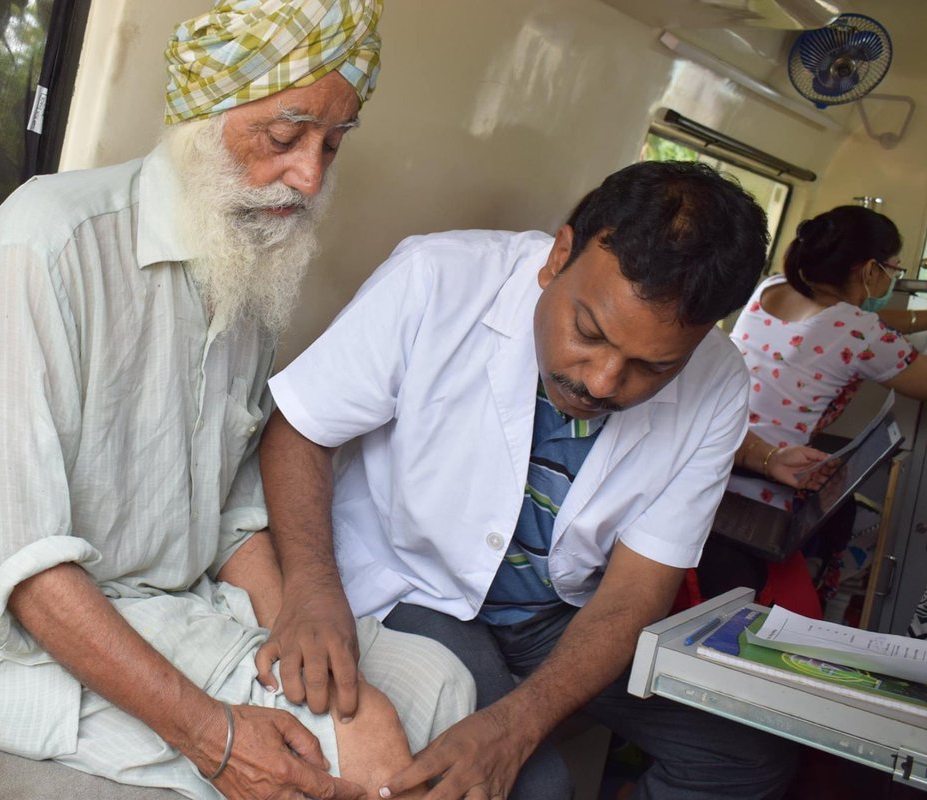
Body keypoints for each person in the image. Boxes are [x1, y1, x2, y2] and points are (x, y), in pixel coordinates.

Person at [0, 3, 477, 798]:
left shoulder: (250, 262)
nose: (309, 177)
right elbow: (21, 569)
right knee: (348, 757)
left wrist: (296, 625)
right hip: (8, 629)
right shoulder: (47, 245)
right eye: (284, 136)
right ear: (206, 113)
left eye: (332, 146)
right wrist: (217, 735)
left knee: (436, 683)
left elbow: (229, 506)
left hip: (172, 603)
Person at [257, 160, 800, 799]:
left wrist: (518, 723)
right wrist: (313, 590)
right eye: (588, 333)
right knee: (538, 789)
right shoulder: (438, 277)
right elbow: (299, 430)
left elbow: (634, 593)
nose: (601, 382)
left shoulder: (720, 384)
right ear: (559, 256)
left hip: (556, 613)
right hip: (418, 582)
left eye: (651, 368)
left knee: (747, 757)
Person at [698, 205, 927, 609]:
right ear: (871, 270)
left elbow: (851, 319)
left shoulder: (771, 288)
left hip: (713, 463)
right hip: (766, 489)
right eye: (892, 269)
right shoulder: (861, 331)